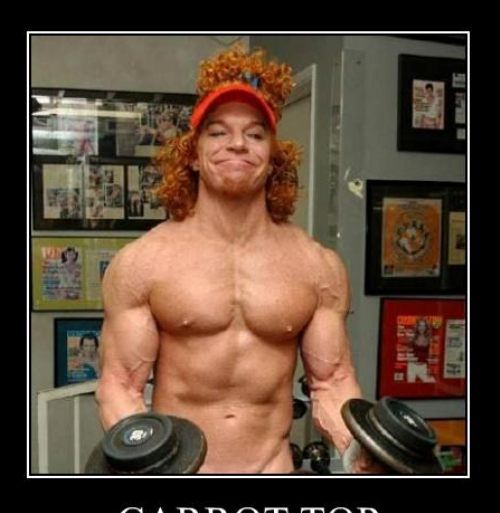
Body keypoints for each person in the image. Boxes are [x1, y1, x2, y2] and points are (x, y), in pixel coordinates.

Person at [96, 45, 382, 474]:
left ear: (272, 157)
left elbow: (333, 382)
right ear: (192, 155)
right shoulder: (143, 263)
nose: (237, 144)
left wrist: (358, 451)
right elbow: (119, 386)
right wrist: (146, 461)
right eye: (217, 132)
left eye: (255, 134)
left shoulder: (317, 266)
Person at [407, 319, 436, 383]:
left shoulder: (429, 338)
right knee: (410, 386)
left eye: (423, 326)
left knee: (432, 382)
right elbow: (408, 352)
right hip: (412, 366)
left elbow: (430, 354)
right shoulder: (412, 337)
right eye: (420, 325)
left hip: (423, 366)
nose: (421, 328)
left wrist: (428, 368)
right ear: (417, 327)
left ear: (426, 327)